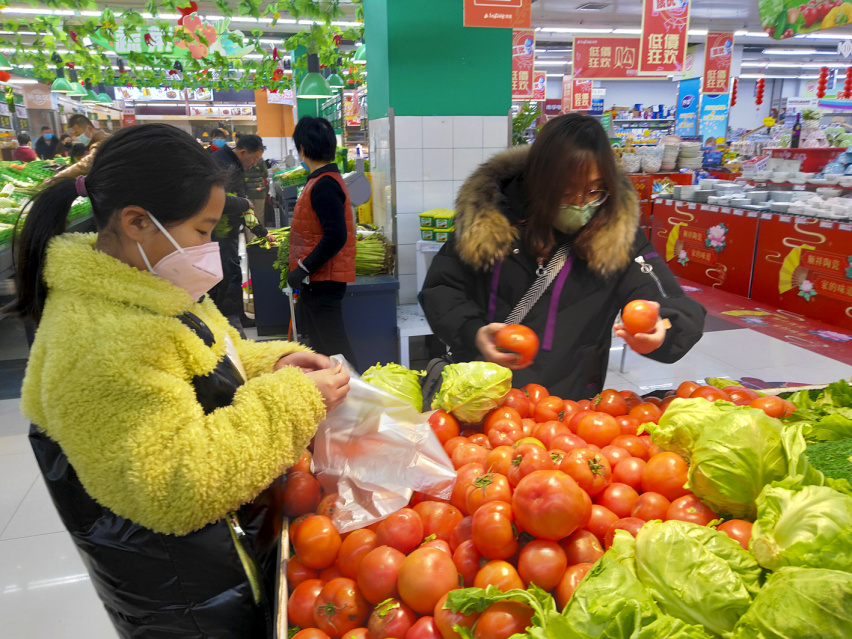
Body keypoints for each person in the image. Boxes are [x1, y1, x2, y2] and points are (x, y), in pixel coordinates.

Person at [13, 123, 350, 638]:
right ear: (136, 223)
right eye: (201, 229)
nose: (209, 246)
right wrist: (297, 397)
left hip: (222, 564)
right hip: (186, 601)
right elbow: (181, 483)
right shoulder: (97, 340)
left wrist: (276, 364)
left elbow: (211, 358)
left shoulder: (147, 286)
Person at [419, 114, 706, 400]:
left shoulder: (617, 236)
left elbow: (672, 303)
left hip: (567, 405)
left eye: (594, 191)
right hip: (481, 394)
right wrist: (474, 332)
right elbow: (442, 289)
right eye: (566, 193)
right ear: (537, 183)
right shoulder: (488, 220)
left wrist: (662, 330)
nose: (581, 205)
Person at [288, 116, 358, 369]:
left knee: (336, 351)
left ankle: (363, 401)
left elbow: (336, 236)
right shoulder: (323, 180)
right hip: (319, 281)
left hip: (323, 281)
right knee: (323, 352)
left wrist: (304, 268)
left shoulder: (324, 185)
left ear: (303, 149)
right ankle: (339, 402)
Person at [212, 133, 275, 330]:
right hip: (221, 232)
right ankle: (233, 319)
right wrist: (261, 230)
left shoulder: (226, 160)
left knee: (226, 274)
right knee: (229, 274)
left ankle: (230, 316)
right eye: (254, 159)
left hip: (221, 230)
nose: (254, 163)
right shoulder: (227, 166)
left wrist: (260, 231)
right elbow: (224, 200)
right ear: (242, 152)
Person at [49, 113, 109, 180]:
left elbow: (85, 165)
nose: (77, 137)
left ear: (89, 128)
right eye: (75, 134)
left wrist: (56, 178)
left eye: (77, 133)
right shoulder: (105, 137)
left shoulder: (100, 143)